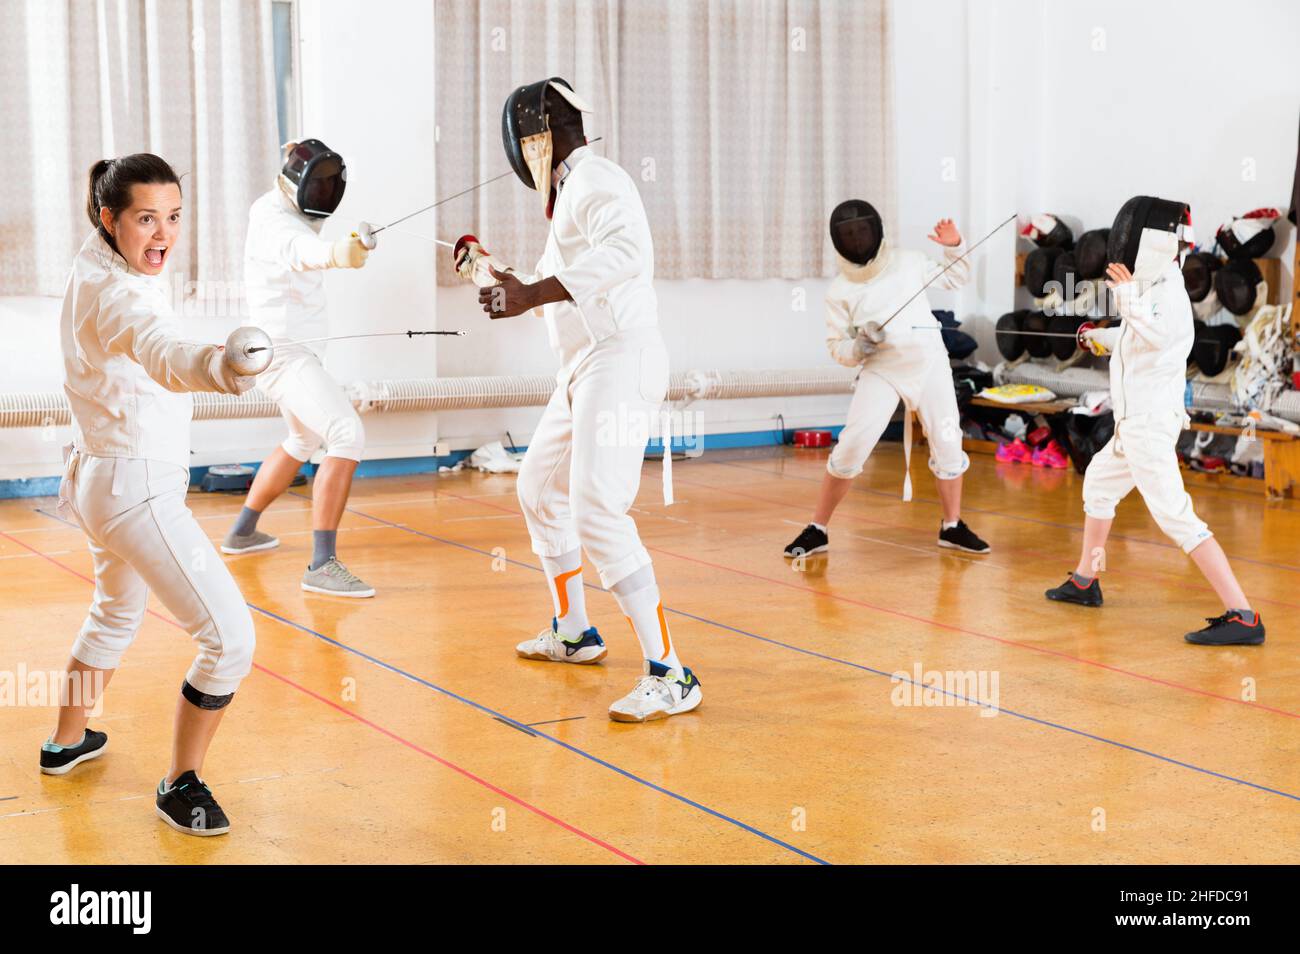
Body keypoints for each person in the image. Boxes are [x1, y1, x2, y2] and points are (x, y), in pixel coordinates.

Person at [460, 77, 701, 722]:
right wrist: (493, 274)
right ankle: (574, 631)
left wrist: (532, 293)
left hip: (620, 358)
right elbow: (552, 281)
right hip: (584, 367)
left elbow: (627, 253)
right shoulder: (570, 191)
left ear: (534, 136)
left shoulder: (596, 179)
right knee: (537, 488)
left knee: (597, 510)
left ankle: (671, 674)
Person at [46, 154, 266, 836]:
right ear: (108, 218)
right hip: (136, 490)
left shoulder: (98, 266)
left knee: (114, 613)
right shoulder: (121, 296)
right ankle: (181, 783)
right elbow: (161, 348)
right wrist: (219, 367)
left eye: (173, 217)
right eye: (146, 219)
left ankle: (65, 742)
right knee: (229, 640)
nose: (163, 234)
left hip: (97, 480)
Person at [1046, 196, 1264, 646]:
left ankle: (1243, 616)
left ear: (1156, 243)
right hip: (1132, 424)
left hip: (1149, 424)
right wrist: (1097, 338)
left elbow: (1159, 333)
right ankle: (1087, 580)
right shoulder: (1147, 289)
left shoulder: (1167, 292)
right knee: (1100, 487)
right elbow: (1134, 335)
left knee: (1176, 517)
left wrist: (1124, 300)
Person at [784, 201, 991, 558]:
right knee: (852, 444)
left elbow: (955, 277)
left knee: (948, 442)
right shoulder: (840, 291)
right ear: (838, 241)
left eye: (861, 230)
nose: (857, 238)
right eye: (849, 234)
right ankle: (817, 528)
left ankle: (952, 526)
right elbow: (838, 348)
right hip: (882, 369)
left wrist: (953, 244)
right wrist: (859, 345)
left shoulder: (908, 261)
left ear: (876, 231)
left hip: (929, 364)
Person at [221, 139, 375, 598]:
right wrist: (338, 254)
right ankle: (321, 565)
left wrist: (346, 245)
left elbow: (308, 242)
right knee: (346, 433)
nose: (326, 192)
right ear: (294, 184)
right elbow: (300, 250)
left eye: (332, 184)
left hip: (290, 350)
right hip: (282, 355)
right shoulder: (273, 219)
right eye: (320, 184)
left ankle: (243, 532)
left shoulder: (287, 211)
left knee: (302, 439)